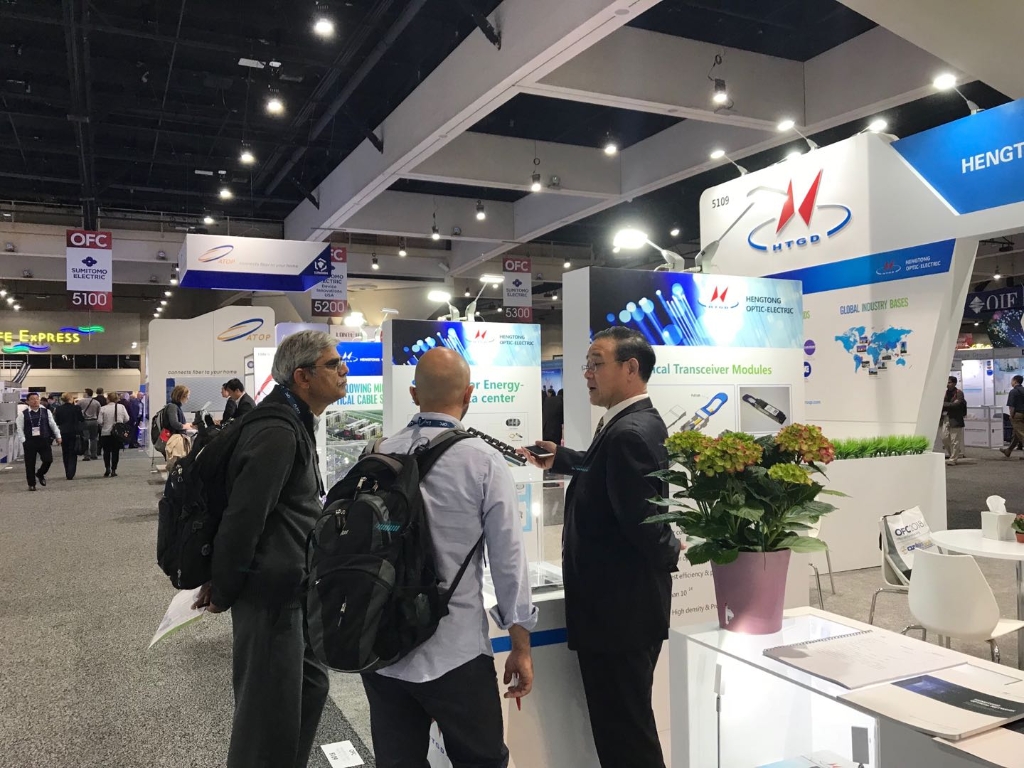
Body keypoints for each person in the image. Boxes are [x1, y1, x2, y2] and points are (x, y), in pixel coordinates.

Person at [362, 347, 537, 768]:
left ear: (413, 394)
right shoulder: (483, 460)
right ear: (469, 394)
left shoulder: (378, 452)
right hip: (455, 649)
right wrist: (520, 643)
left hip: (382, 647)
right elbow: (508, 559)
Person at [522, 327, 680, 768]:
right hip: (620, 614)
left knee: (626, 737)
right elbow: (611, 476)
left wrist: (671, 550)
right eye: (586, 365)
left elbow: (645, 524)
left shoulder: (629, 433)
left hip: (620, 616)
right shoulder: (629, 423)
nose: (587, 374)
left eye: (596, 363)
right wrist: (563, 458)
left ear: (631, 368)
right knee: (621, 729)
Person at [192, 331, 347, 768]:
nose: (344, 370)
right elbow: (244, 518)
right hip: (270, 598)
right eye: (333, 364)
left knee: (308, 694)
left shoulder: (295, 421)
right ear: (302, 376)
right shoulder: (277, 430)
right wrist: (224, 588)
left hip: (297, 590)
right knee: (266, 722)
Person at [16, 392, 62, 492]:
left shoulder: (46, 412)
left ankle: (40, 473)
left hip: (44, 439)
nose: (35, 401)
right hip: (30, 441)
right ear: (28, 401)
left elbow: (53, 424)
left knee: (48, 460)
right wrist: (23, 440)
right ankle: (31, 484)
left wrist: (58, 436)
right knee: (30, 463)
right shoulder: (23, 414)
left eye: (37, 398)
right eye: (32, 399)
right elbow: (19, 428)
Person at [54, 392, 85, 480]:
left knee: (65, 451)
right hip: (74, 432)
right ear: (71, 398)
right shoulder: (76, 408)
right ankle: (71, 472)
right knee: (73, 451)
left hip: (63, 432)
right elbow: (81, 419)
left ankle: (67, 470)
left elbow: (57, 421)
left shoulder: (58, 409)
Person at [99, 394, 129, 478]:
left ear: (108, 399)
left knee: (106, 452)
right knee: (115, 451)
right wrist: (120, 422)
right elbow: (127, 418)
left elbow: (99, 421)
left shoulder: (103, 408)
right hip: (117, 434)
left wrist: (105, 424)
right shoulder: (121, 407)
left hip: (106, 433)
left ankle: (107, 468)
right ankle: (113, 470)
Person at [942, 376, 967, 466]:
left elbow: (957, 405)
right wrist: (950, 404)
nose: (947, 384)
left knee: (954, 440)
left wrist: (945, 404)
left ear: (954, 383)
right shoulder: (945, 393)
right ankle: (953, 453)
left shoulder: (959, 393)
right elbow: (942, 404)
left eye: (949, 382)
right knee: (944, 438)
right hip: (946, 418)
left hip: (956, 419)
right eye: (947, 382)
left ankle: (953, 459)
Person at [78, 388, 102, 461]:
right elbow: (99, 413)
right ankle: (94, 454)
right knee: (94, 438)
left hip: (85, 421)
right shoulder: (96, 402)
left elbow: (77, 411)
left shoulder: (80, 402)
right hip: (94, 421)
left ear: (86, 393)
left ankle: (86, 455)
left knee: (85, 438)